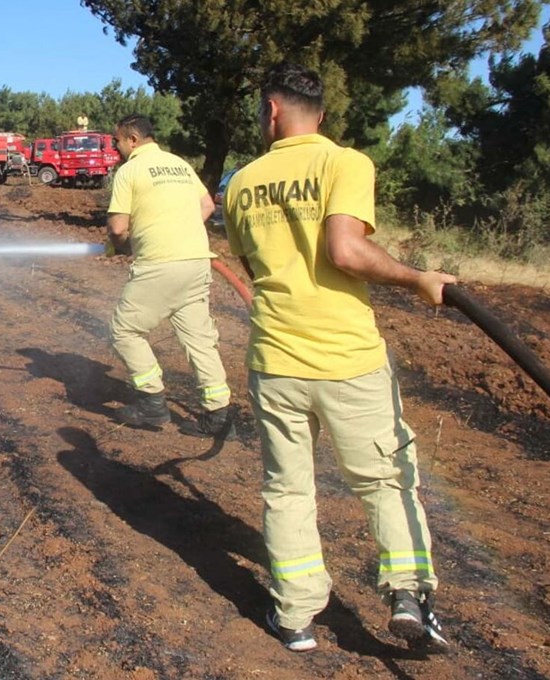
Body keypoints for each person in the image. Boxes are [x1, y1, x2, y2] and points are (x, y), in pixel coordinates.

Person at [222, 62, 456, 654]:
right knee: (384, 478)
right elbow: (347, 251)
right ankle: (408, 597)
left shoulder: (243, 181)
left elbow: (252, 269)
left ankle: (295, 616)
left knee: (288, 488)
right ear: (318, 113)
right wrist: (417, 278)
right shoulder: (343, 162)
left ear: (270, 111)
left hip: (275, 360)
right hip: (348, 359)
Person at [105, 113, 232, 437]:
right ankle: (218, 414)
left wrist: (124, 246)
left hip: (160, 265)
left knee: (125, 331)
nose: (116, 147)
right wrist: (178, 229)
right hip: (196, 263)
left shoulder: (130, 170)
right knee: (199, 339)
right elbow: (206, 206)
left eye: (117, 140)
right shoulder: (179, 164)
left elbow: (118, 228)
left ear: (132, 140)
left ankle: (152, 403)